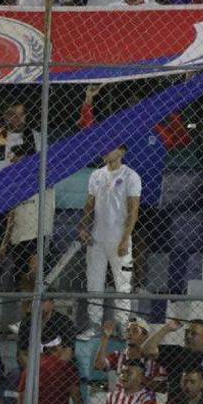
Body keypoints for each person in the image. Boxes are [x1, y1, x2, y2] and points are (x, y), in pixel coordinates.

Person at [78, 144, 141, 339]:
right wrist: (83, 227)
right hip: (97, 239)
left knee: (123, 284)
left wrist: (125, 238)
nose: (105, 151)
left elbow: (133, 210)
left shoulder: (131, 176)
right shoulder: (96, 175)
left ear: (122, 151)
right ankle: (94, 325)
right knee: (94, 284)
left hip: (119, 238)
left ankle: (122, 327)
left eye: (110, 147)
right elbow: (89, 205)